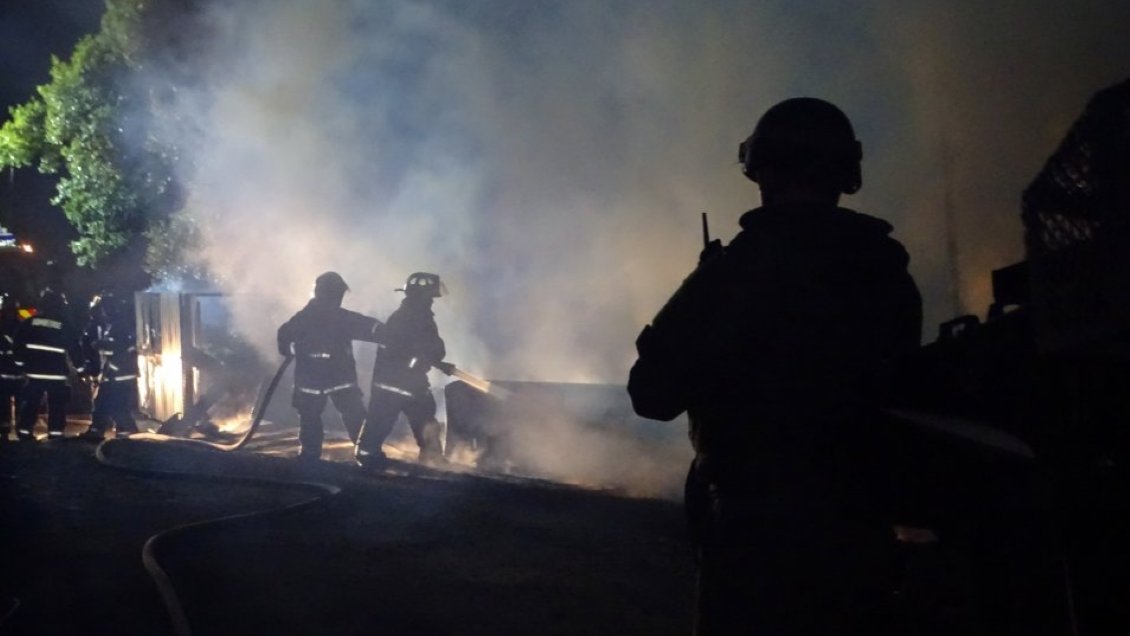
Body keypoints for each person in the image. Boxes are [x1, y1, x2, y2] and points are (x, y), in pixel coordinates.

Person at [628, 98, 922, 635]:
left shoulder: (735, 273)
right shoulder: (885, 272)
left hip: (755, 545)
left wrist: (699, 292)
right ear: (845, 174)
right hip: (859, 538)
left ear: (761, 170)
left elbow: (651, 393)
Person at [277, 271, 384, 462]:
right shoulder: (338, 317)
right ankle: (367, 454)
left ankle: (310, 458)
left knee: (315, 418)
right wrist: (389, 333)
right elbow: (369, 327)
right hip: (338, 378)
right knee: (351, 415)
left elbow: (284, 335)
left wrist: (289, 349)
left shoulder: (304, 318)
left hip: (314, 380)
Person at [356, 272, 448, 468]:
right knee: (387, 421)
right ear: (421, 296)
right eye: (430, 297)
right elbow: (421, 348)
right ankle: (367, 457)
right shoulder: (411, 318)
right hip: (399, 383)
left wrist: (430, 358)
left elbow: (431, 349)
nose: (432, 301)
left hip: (407, 382)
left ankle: (431, 459)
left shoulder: (413, 316)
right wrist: (425, 359)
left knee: (424, 421)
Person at [14, 289, 79, 441]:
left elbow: (18, 344)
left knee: (31, 403)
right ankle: (55, 434)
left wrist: (21, 364)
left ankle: (24, 432)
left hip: (34, 372)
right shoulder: (64, 325)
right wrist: (82, 369)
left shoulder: (30, 322)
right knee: (57, 405)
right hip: (56, 374)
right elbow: (75, 348)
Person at [80, 292, 140, 440]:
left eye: (103, 310)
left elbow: (115, 349)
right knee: (107, 403)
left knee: (111, 404)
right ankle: (105, 431)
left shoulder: (119, 327)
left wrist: (98, 345)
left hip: (118, 374)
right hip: (118, 374)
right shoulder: (119, 325)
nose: (102, 313)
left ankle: (123, 432)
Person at [0, 293, 24, 441]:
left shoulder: (2, 326)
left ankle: (4, 430)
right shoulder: (21, 326)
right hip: (18, 371)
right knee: (21, 401)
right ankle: (21, 429)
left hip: (3, 372)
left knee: (3, 402)